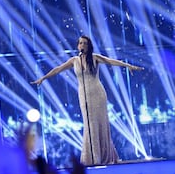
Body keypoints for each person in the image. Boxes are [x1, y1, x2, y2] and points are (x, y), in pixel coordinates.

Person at [31, 35, 143, 166]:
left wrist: (127, 65)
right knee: (89, 124)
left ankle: (103, 156)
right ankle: (92, 157)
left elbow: (111, 61)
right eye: (80, 43)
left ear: (88, 46)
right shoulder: (74, 60)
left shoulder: (94, 58)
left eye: (84, 43)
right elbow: (58, 69)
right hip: (84, 95)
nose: (82, 45)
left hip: (97, 93)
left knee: (100, 124)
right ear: (78, 46)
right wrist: (43, 78)